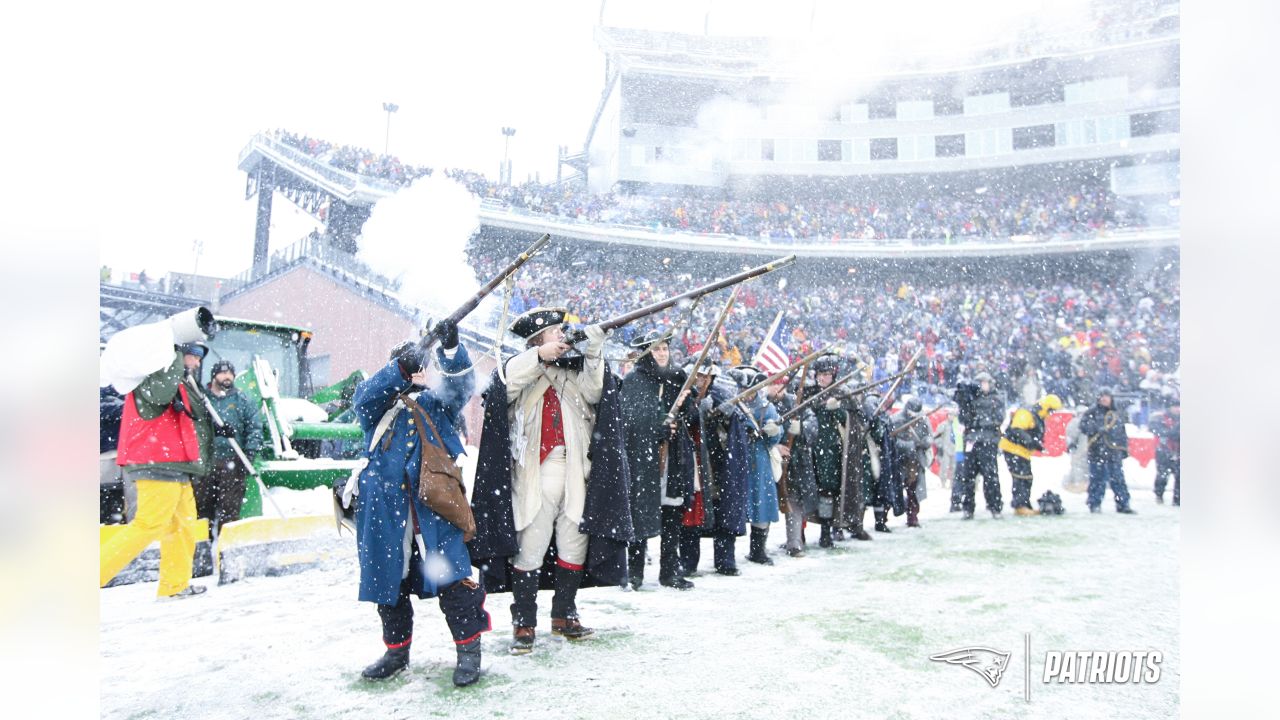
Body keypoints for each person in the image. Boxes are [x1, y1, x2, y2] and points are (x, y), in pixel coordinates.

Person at [347, 322, 491, 687]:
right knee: (388, 583)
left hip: (434, 509)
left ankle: (468, 653)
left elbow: (461, 387)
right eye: (402, 363)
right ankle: (396, 652)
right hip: (386, 510)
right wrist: (398, 368)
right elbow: (364, 396)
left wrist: (451, 349)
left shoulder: (433, 401)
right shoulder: (375, 405)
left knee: (456, 582)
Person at [501, 307, 608, 654]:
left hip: (576, 469)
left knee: (574, 542)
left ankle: (564, 614)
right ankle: (524, 622)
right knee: (530, 547)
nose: (562, 336)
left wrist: (593, 351)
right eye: (553, 333)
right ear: (537, 339)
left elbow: (595, 392)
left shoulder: (572, 373)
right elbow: (505, 383)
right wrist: (537, 356)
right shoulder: (522, 369)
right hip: (536, 471)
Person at [99, 342, 213, 599]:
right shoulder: (154, 378)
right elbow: (161, 397)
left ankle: (175, 586)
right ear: (176, 355)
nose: (196, 363)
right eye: (192, 357)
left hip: (178, 462)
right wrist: (172, 358)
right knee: (148, 524)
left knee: (182, 525)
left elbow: (195, 415)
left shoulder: (179, 381)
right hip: (158, 461)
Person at [620, 330, 696, 590]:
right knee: (641, 513)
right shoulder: (634, 381)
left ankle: (669, 571)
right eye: (656, 349)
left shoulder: (676, 378)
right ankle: (635, 572)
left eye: (665, 348)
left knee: (672, 514)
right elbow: (629, 422)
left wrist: (687, 404)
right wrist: (654, 429)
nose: (662, 354)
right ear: (646, 353)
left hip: (672, 457)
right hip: (644, 460)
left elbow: (690, 418)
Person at [193, 360, 262, 535]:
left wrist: (250, 452)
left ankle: (224, 548)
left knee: (229, 511)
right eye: (223, 373)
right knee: (201, 509)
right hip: (205, 463)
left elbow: (254, 427)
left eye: (230, 373)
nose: (227, 377)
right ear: (214, 376)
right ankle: (202, 548)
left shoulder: (242, 400)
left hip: (232, 462)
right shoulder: (202, 399)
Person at [730, 366, 784, 565]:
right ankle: (728, 555)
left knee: (762, 504)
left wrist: (773, 431)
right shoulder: (732, 405)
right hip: (736, 459)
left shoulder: (767, 408)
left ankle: (758, 551)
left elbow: (776, 436)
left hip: (759, 460)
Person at [767, 375, 818, 557]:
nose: (776, 388)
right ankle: (758, 548)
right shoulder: (764, 405)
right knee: (766, 502)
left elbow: (813, 426)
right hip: (769, 459)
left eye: (779, 384)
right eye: (772, 383)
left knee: (793, 502)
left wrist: (801, 428)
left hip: (796, 461)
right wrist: (773, 444)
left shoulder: (797, 404)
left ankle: (794, 543)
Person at [998, 394, 1063, 516]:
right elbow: (1017, 430)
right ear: (1046, 407)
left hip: (1022, 452)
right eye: (1051, 410)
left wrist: (1036, 444)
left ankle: (1024, 504)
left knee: (1027, 478)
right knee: (1021, 477)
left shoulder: (1038, 416)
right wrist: (1032, 442)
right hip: (1013, 449)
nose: (1051, 414)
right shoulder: (1026, 413)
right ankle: (1020, 506)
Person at [955, 371, 1006, 519]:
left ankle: (995, 507)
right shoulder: (970, 399)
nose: (983, 385)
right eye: (980, 382)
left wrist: (980, 422)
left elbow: (998, 419)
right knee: (968, 477)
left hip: (988, 441)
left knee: (991, 477)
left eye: (985, 382)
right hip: (972, 440)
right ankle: (968, 508)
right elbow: (963, 419)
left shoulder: (996, 399)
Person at [1078, 387, 1136, 514]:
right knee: (1097, 480)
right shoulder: (1091, 412)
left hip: (1114, 452)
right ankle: (1095, 504)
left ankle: (1123, 504)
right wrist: (1097, 428)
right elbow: (1082, 426)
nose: (1104, 398)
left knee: (1118, 480)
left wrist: (1124, 450)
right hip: (1097, 451)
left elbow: (1122, 433)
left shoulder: (1117, 413)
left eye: (1106, 396)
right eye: (1101, 396)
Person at [891, 397, 931, 528]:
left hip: (915, 460)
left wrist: (926, 442)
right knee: (894, 489)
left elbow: (929, 436)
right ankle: (882, 519)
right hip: (900, 460)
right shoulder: (897, 420)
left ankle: (912, 517)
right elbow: (892, 440)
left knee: (913, 491)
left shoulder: (923, 420)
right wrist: (909, 445)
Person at [1150, 397, 1180, 506]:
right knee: (1162, 474)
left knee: (1180, 476)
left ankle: (1178, 499)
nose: (1177, 409)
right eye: (1175, 407)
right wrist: (1171, 433)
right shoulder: (1160, 417)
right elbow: (1155, 429)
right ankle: (1159, 494)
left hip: (1178, 451)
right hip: (1163, 450)